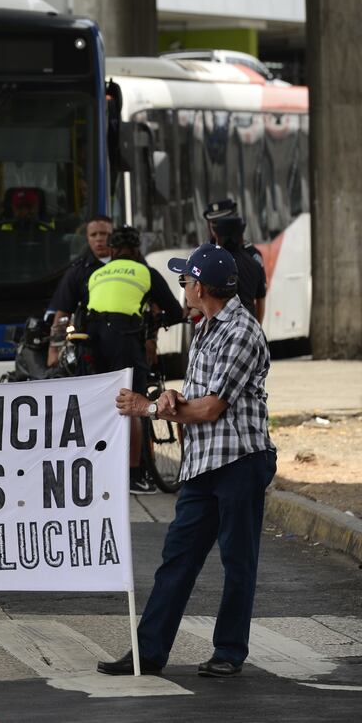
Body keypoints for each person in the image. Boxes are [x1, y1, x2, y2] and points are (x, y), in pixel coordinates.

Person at [99, 242, 276, 679]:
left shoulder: (241, 332)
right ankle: (148, 653)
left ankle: (229, 651)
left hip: (239, 461)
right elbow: (198, 398)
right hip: (203, 465)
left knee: (238, 561)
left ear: (200, 287)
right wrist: (172, 398)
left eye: (185, 280)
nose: (182, 287)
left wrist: (148, 407)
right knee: (177, 559)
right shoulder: (205, 327)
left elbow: (212, 408)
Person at [83, 225, 184, 494]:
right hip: (123, 338)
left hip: (91, 340)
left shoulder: (96, 273)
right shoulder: (145, 272)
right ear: (137, 249)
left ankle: (100, 471)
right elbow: (175, 312)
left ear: (112, 250)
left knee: (101, 405)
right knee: (133, 404)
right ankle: (135, 475)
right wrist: (157, 322)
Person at [46, 214, 114, 366]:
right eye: (93, 235)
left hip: (126, 339)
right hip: (91, 344)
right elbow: (62, 314)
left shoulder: (130, 264)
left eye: (104, 234)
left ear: (113, 236)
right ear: (87, 239)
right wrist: (54, 351)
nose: (99, 239)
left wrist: (152, 341)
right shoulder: (77, 272)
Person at [212, 216, 267, 322]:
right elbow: (261, 300)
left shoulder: (216, 264)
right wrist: (258, 326)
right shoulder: (255, 264)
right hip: (249, 322)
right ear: (241, 237)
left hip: (224, 324)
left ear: (221, 238)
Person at [203, 199, 263, 266]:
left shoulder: (250, 253)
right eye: (214, 222)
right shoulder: (205, 254)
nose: (217, 227)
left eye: (222, 222)